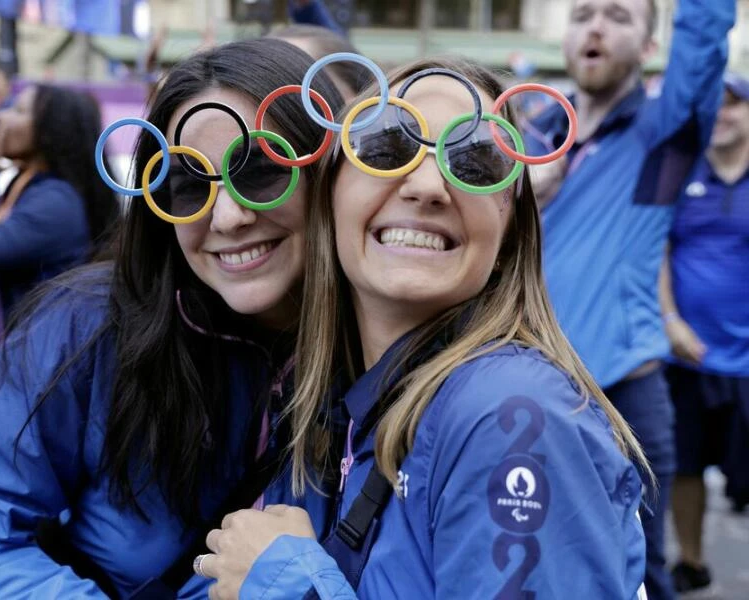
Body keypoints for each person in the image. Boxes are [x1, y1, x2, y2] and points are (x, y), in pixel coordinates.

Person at [195, 56, 649, 599]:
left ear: (507, 238)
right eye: (387, 146)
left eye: (475, 161)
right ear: (331, 201)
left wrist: (290, 587)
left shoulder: (513, 415)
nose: (429, 185)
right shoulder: (347, 406)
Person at [0, 38, 344, 598]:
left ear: (328, 170)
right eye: (187, 184)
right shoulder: (87, 325)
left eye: (257, 169)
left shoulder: (391, 348)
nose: (227, 215)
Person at [522, 1, 735, 597]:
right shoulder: (535, 132)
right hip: (528, 388)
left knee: (638, 577)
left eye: (618, 16)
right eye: (583, 14)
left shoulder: (663, 136)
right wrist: (519, 202)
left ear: (648, 47)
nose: (595, 26)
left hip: (623, 396)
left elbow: (703, 38)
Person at [0, 84, 121, 405]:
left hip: (36, 384)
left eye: (17, 111)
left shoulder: (55, 201)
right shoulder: (30, 185)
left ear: (50, 131)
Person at [660, 72, 749, 595]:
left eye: (734, 106)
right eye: (714, 106)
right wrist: (670, 319)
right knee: (685, 467)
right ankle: (691, 562)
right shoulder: (681, 174)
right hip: (687, 356)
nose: (722, 115)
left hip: (746, 364)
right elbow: (658, 254)